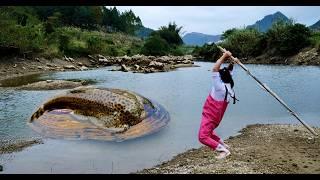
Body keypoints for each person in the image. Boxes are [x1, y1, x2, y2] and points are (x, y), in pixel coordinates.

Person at [198, 50, 240, 159]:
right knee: (209, 133)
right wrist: (233, 62)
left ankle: (223, 151)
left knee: (202, 137)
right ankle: (223, 145)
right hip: (216, 117)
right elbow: (229, 71)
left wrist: (224, 56)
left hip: (210, 116)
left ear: (220, 77)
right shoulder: (229, 86)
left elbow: (215, 68)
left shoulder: (219, 87)